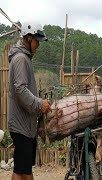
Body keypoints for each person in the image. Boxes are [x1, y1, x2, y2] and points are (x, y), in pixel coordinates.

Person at [8, 22, 51, 180]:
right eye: (37, 41)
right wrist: (39, 103)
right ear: (29, 37)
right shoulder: (20, 59)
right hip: (21, 125)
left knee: (24, 169)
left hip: (25, 125)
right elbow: (21, 90)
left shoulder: (24, 57)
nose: (38, 45)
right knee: (21, 170)